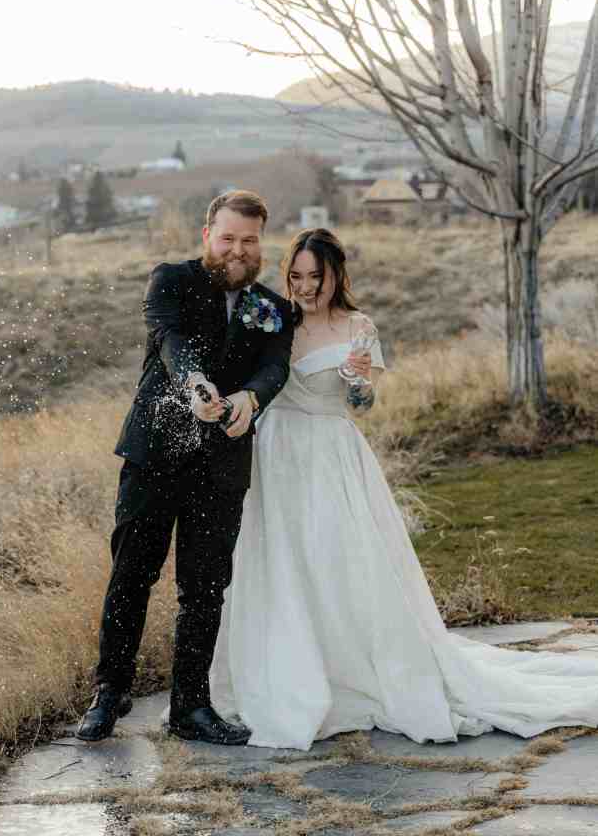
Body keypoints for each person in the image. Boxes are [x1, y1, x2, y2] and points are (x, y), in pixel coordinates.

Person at [210, 227, 598, 750]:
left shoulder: (358, 326)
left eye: (315, 278)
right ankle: (288, 668)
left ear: (335, 276)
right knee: (280, 558)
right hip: (275, 451)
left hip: (331, 451)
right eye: (296, 276)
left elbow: (363, 405)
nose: (304, 287)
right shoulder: (275, 319)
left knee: (341, 559)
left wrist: (356, 381)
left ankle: (356, 667)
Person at [77, 190, 294, 745]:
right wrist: (195, 385)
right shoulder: (170, 280)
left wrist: (250, 399)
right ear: (207, 236)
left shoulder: (273, 307)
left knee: (205, 589)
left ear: (260, 242)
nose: (238, 250)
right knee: (131, 575)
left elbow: (274, 369)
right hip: (155, 455)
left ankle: (190, 708)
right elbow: (172, 342)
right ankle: (109, 692)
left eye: (249, 240)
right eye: (228, 238)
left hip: (221, 465)